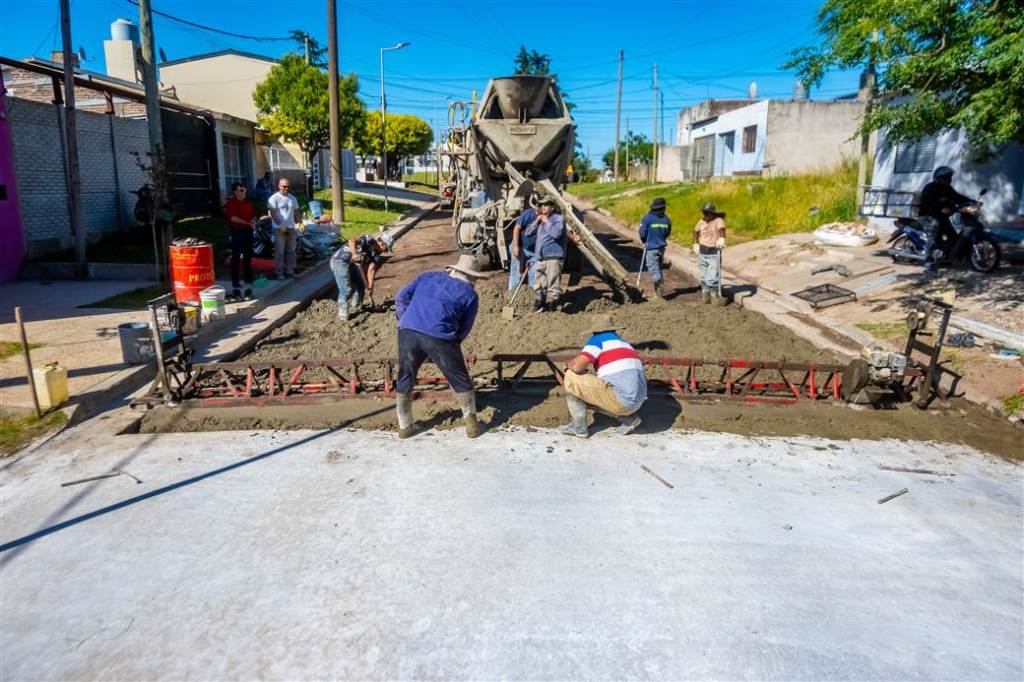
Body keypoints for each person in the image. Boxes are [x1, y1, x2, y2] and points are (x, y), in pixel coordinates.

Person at [394, 254, 487, 439]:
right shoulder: (470, 294)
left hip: (407, 333)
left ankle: (405, 427)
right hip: (440, 337)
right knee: (460, 379)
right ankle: (472, 427)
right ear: (472, 278)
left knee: (405, 375)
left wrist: (404, 320)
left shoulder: (428, 276)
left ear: (453, 270)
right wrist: (450, 347)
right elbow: (464, 328)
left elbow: (400, 297)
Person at [559, 314, 647, 438]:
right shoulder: (625, 344)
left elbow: (577, 366)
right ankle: (629, 418)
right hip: (638, 402)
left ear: (595, 331)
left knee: (571, 377)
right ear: (613, 329)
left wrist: (568, 363)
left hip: (622, 400)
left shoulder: (598, 340)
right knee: (592, 392)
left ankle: (578, 428)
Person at [329, 232, 394, 321]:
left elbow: (371, 270)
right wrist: (355, 254)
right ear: (382, 244)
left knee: (361, 286)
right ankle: (343, 315)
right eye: (386, 249)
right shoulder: (368, 240)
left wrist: (370, 287)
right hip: (339, 261)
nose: (385, 252)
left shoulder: (376, 256)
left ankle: (356, 306)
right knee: (346, 289)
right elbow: (351, 241)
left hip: (351, 265)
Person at [919, 166, 971, 273]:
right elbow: (928, 204)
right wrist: (940, 209)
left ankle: (947, 254)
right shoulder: (929, 188)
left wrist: (971, 201)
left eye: (949, 177)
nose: (949, 180)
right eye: (946, 178)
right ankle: (928, 260)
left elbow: (957, 197)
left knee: (953, 236)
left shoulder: (947, 188)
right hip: (928, 217)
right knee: (933, 231)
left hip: (941, 217)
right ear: (938, 178)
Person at [531, 195, 579, 312]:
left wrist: (546, 221)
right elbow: (531, 233)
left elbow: (556, 233)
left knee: (553, 285)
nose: (543, 207)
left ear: (552, 207)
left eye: (546, 204)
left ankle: (553, 310)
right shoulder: (542, 221)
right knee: (538, 285)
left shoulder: (558, 219)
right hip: (541, 257)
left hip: (554, 256)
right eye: (542, 205)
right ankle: (539, 306)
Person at [224, 182, 256, 301]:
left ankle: (248, 286)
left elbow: (253, 214)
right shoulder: (231, 204)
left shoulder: (248, 202)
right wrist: (247, 223)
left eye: (244, 190)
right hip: (237, 233)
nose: (244, 192)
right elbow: (233, 218)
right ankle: (236, 287)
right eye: (241, 190)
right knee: (235, 259)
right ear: (235, 192)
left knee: (248, 259)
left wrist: (253, 221)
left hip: (248, 233)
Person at [692, 202, 726, 305]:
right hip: (702, 252)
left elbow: (722, 230)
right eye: (704, 213)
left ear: (712, 213)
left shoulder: (718, 220)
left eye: (707, 213)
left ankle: (714, 297)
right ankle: (705, 297)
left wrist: (721, 239)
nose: (705, 216)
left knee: (712, 277)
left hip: (713, 254)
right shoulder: (701, 221)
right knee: (703, 277)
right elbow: (695, 231)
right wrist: (696, 244)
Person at [638, 197, 672, 298]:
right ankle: (658, 293)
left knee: (653, 268)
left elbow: (642, 232)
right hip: (661, 247)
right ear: (663, 208)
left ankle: (659, 290)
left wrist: (644, 241)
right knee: (658, 268)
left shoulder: (647, 218)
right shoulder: (666, 219)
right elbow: (667, 233)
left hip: (651, 247)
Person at [267, 178, 299, 279]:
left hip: (291, 227)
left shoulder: (292, 198)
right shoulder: (274, 198)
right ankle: (279, 272)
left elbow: (296, 211)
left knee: (291, 250)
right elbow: (272, 213)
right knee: (280, 251)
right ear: (279, 186)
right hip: (279, 228)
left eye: (288, 186)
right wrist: (279, 224)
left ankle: (289, 270)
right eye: (284, 186)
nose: (286, 188)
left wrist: (300, 221)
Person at [508, 202, 538, 291]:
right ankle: (512, 292)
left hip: (534, 252)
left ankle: (531, 295)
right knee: (516, 271)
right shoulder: (528, 214)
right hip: (520, 247)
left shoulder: (548, 217)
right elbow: (517, 228)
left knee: (534, 273)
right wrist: (516, 247)